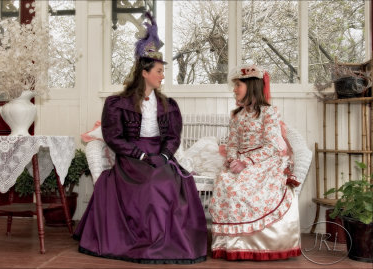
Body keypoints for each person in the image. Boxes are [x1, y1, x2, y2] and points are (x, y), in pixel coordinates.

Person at [73, 13, 207, 264]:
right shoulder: (116, 103)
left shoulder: (169, 105)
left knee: (172, 181)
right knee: (150, 184)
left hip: (159, 154)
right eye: (159, 71)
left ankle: (167, 243)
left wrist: (165, 156)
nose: (162, 76)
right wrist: (141, 155)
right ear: (144, 72)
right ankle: (148, 242)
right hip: (131, 156)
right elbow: (113, 137)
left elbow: (172, 137)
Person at [209, 64, 301, 261]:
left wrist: (247, 161)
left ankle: (256, 245)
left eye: (238, 86)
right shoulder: (237, 116)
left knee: (244, 185)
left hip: (263, 161)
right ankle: (231, 245)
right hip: (240, 160)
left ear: (251, 87)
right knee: (225, 181)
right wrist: (233, 159)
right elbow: (232, 143)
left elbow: (272, 146)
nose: (234, 90)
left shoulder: (268, 113)